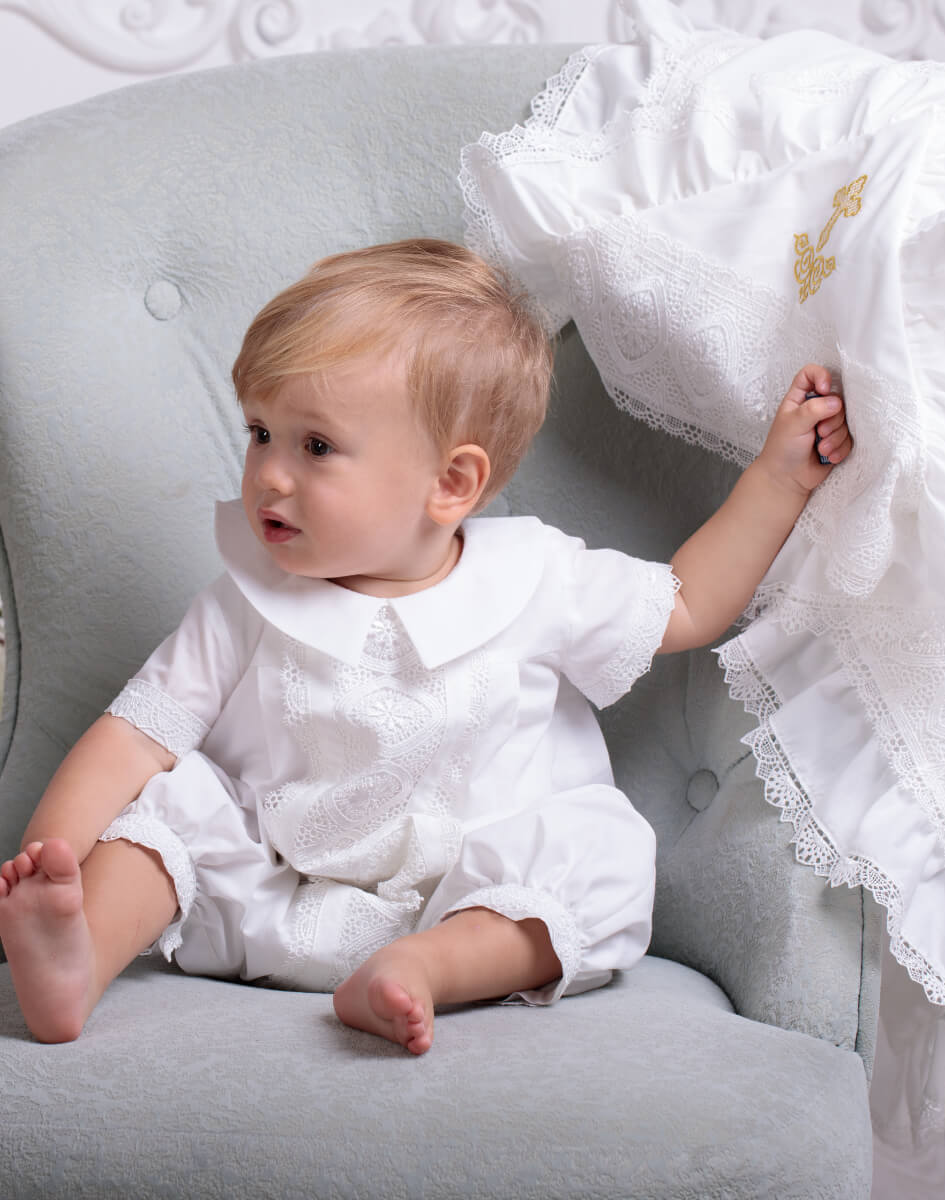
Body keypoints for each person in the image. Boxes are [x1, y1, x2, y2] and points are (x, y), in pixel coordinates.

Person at [0, 239, 851, 1052]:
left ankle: (423, 971)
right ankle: (77, 952)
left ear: (451, 483)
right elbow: (135, 736)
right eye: (260, 432)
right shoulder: (244, 600)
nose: (269, 473)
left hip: (471, 903)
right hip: (270, 896)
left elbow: (690, 604)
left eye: (316, 445)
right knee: (168, 812)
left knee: (602, 852)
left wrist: (778, 477)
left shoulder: (535, 578)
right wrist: (54, 863)